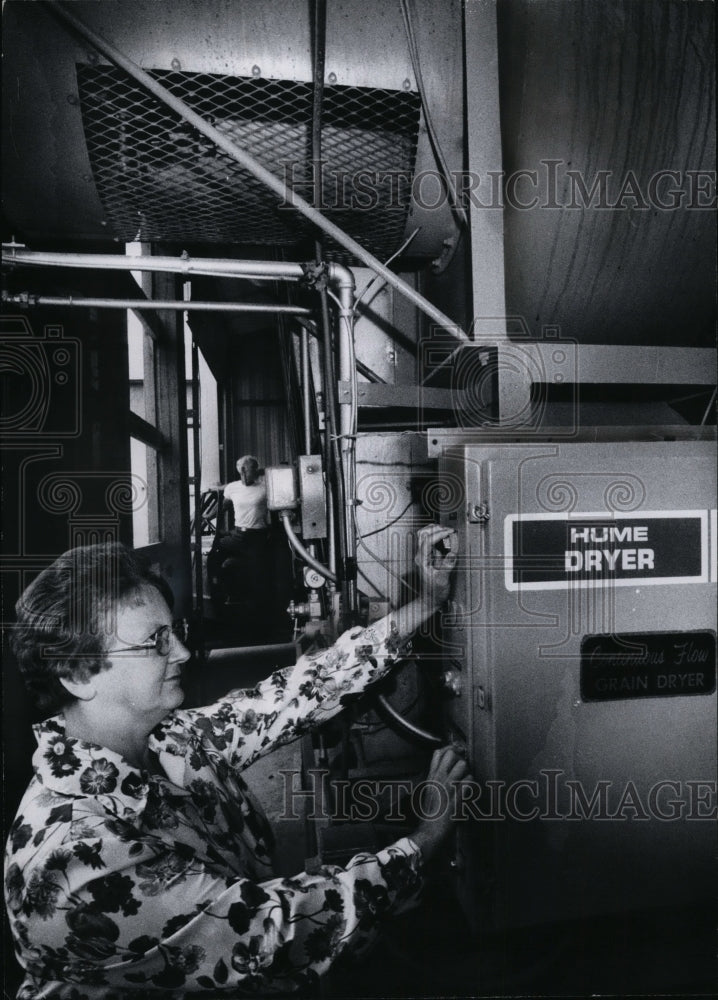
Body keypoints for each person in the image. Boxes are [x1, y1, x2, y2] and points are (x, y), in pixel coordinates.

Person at [5, 526, 469, 998]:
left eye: (174, 632)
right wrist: (424, 841)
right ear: (78, 675)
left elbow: (294, 696)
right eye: (155, 641)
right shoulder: (73, 858)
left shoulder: (169, 740)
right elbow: (272, 932)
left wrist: (425, 603)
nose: (182, 652)